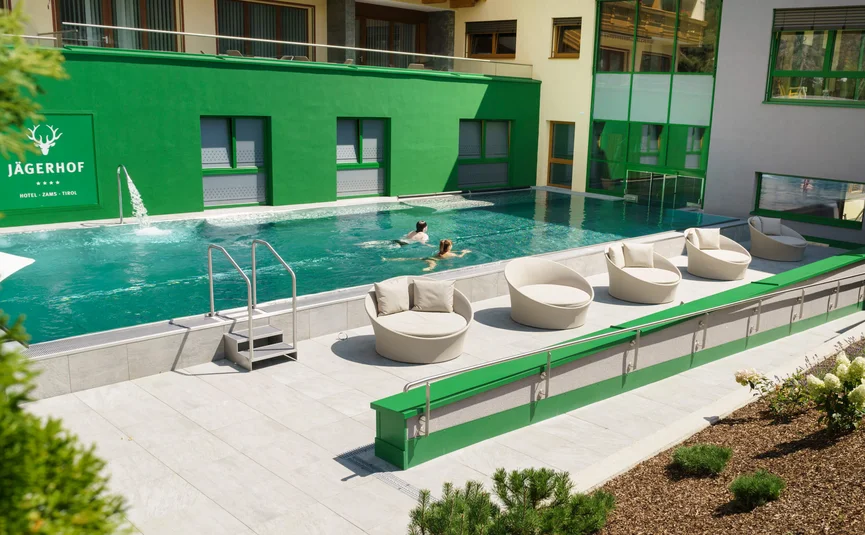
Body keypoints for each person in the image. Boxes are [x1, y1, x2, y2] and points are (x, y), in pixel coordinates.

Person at [383, 239, 471, 272]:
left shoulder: (440, 251)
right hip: (433, 261)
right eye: (451, 245)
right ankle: (426, 269)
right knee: (431, 267)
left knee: (410, 259)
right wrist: (464, 252)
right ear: (449, 248)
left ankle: (388, 259)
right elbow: (460, 257)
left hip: (428, 257)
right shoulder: (451, 254)